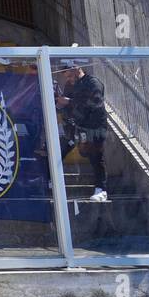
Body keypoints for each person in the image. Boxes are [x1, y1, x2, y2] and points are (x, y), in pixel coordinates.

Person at [56, 64, 108, 202]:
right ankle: (51, 179)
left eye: (70, 75)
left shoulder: (93, 82)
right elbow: (67, 106)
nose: (69, 79)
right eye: (66, 76)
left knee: (95, 156)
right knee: (65, 149)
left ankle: (101, 189)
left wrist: (70, 102)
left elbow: (94, 103)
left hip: (94, 127)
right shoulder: (70, 85)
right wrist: (61, 105)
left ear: (77, 68)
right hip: (78, 126)